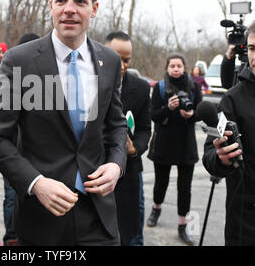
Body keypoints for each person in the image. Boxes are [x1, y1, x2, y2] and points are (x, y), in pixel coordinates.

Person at [0, 0, 127, 246]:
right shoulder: (17, 61)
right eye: (61, 0)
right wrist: (36, 183)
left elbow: (116, 125)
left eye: (80, 1)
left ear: (94, 8)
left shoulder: (109, 61)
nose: (69, 9)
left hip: (100, 219)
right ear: (51, 6)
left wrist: (116, 166)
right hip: (40, 219)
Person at [202, 21, 255, 245]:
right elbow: (209, 156)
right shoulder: (232, 98)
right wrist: (221, 159)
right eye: (252, 48)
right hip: (244, 215)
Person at [146, 53, 202, 245]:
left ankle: (182, 225)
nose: (176, 69)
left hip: (186, 146)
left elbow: (202, 114)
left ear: (184, 68)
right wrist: (168, 108)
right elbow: (154, 116)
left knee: (184, 188)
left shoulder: (194, 87)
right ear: (167, 69)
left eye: (179, 65)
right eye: (172, 66)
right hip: (164, 144)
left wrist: (191, 114)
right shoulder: (160, 88)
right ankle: (156, 208)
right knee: (160, 183)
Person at [105, 31, 151, 246]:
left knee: (130, 223)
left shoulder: (141, 88)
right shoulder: (90, 84)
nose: (122, 65)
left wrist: (134, 149)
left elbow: (144, 129)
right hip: (96, 167)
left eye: (126, 60)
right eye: (117, 58)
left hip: (130, 169)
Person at [2, 32, 40, 246]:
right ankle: (12, 239)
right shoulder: (10, 79)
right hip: (15, 154)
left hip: (31, 155)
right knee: (12, 197)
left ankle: (13, 238)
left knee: (14, 198)